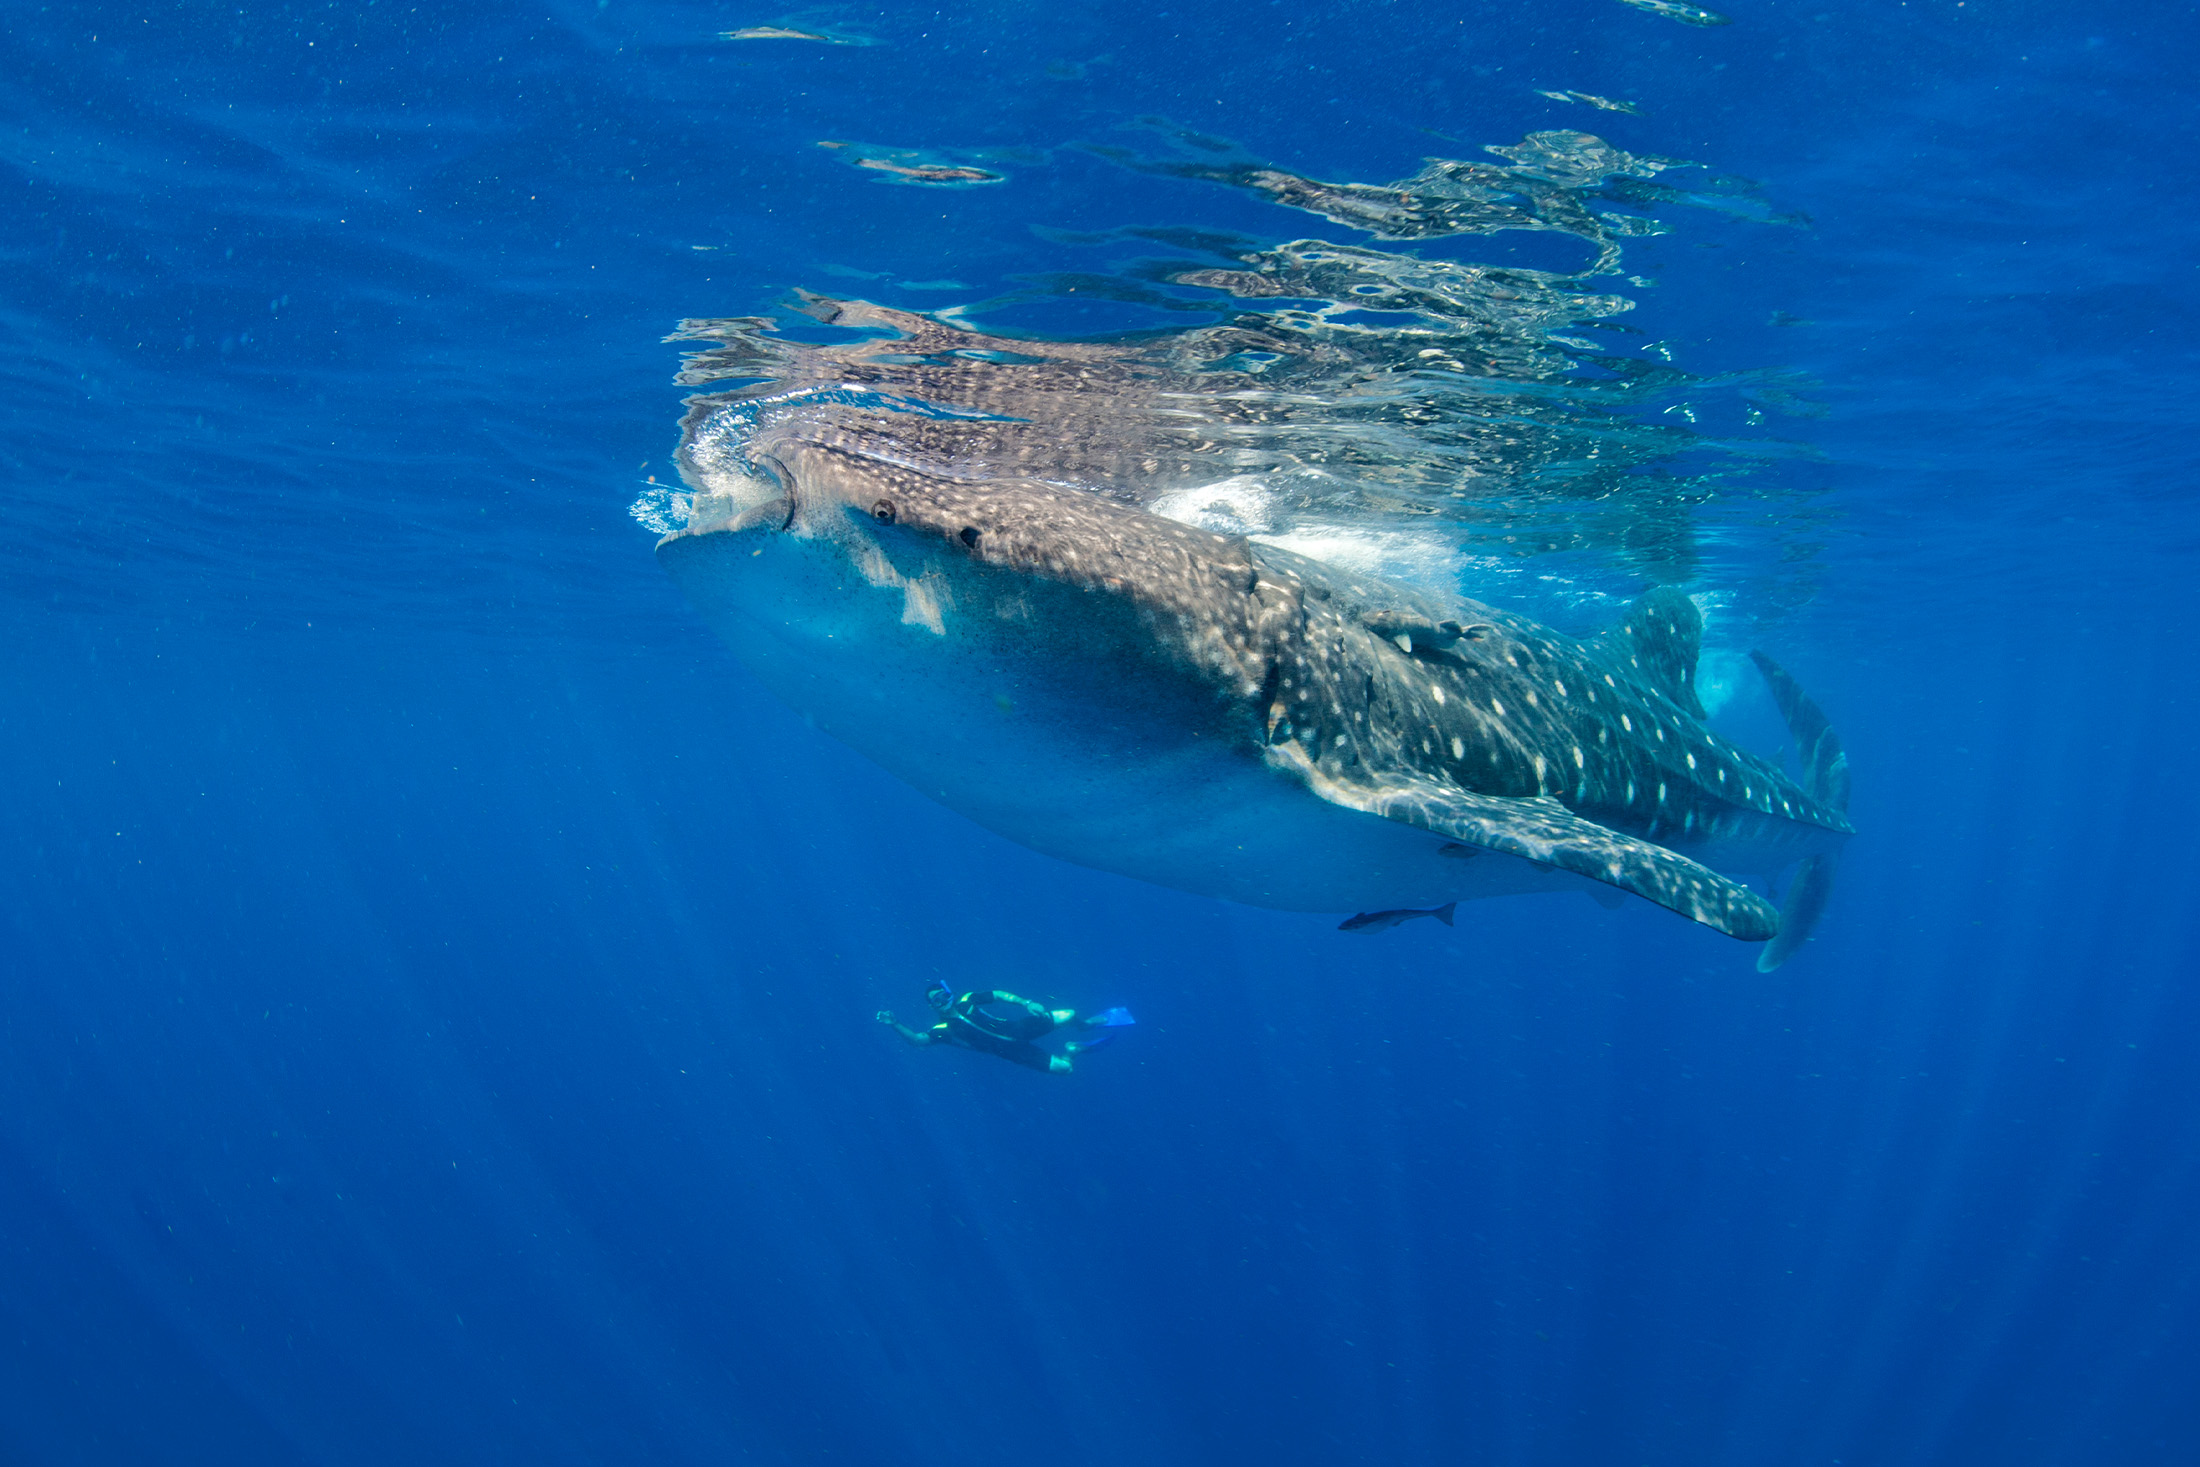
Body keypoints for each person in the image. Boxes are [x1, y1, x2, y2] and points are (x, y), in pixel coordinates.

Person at [876, 982, 1133, 1073]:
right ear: (932, 1007)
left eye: (943, 995)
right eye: (936, 1001)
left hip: (1021, 1028)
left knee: (1070, 1014)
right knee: (1065, 1069)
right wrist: (895, 1023)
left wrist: (1027, 1002)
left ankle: (1086, 1026)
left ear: (949, 993)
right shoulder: (944, 1028)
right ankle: (1073, 1048)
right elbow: (918, 1041)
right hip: (1014, 1053)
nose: (942, 1002)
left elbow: (998, 994)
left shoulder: (968, 999)